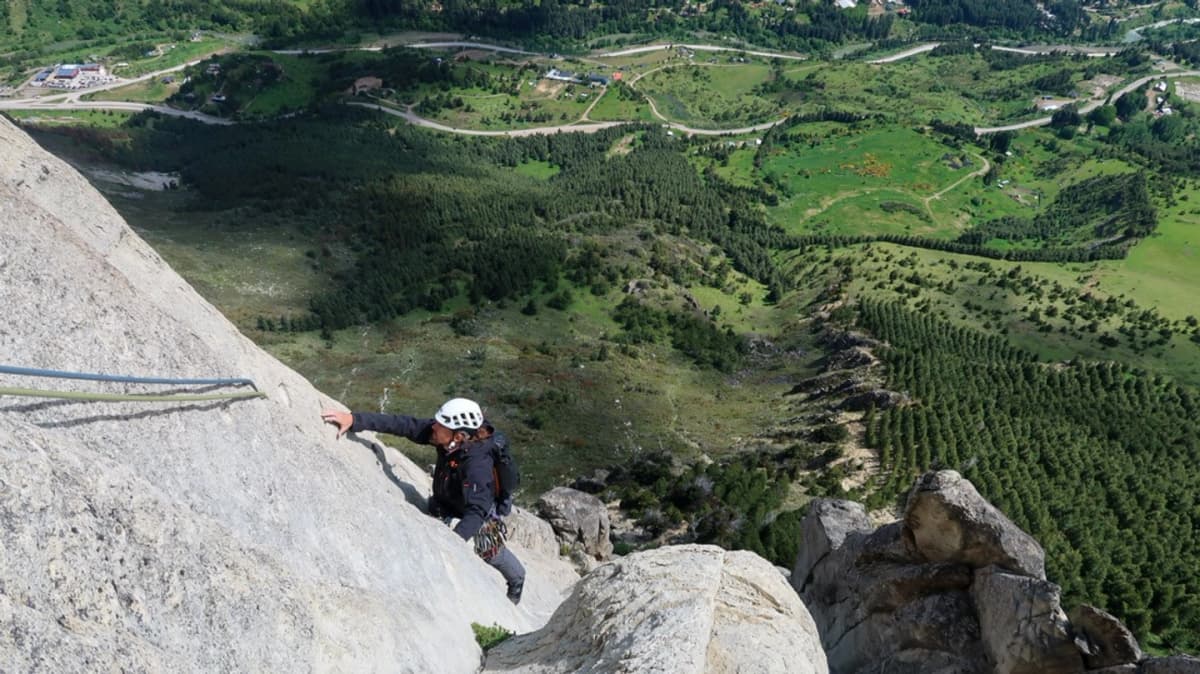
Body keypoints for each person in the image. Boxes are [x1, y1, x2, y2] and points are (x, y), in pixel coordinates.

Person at [320, 398, 525, 604]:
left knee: (490, 550)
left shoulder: (477, 464)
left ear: (459, 435)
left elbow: (477, 510)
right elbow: (403, 425)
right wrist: (355, 419)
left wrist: (451, 544)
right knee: (434, 511)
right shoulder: (447, 437)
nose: (433, 427)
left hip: (474, 511)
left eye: (440, 425)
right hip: (446, 500)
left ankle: (517, 579)